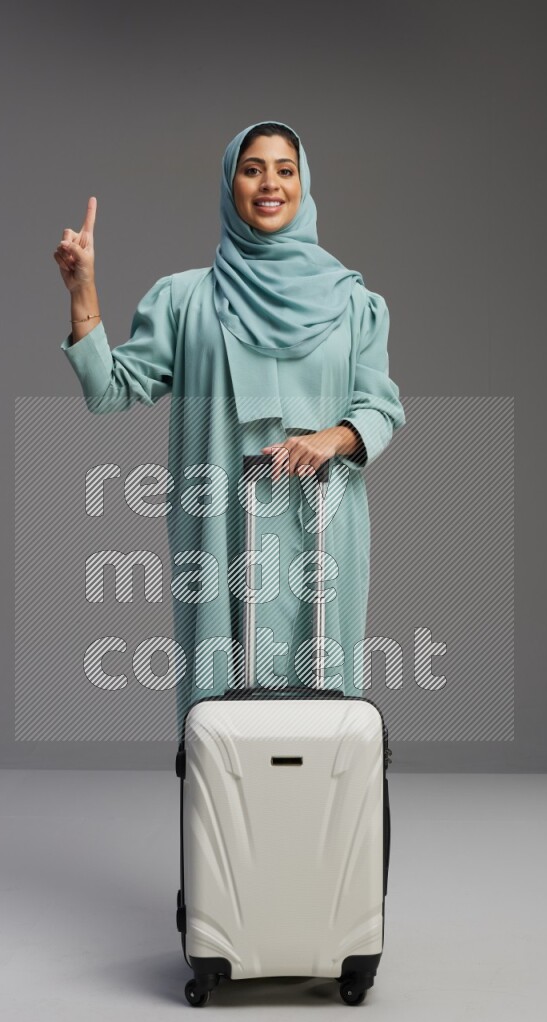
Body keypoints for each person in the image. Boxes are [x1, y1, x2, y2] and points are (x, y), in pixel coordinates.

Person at [55, 119, 406, 739]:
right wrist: (83, 289)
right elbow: (110, 391)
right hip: (219, 529)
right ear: (231, 184)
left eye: (284, 169)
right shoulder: (187, 301)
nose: (269, 183)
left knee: (326, 708)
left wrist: (334, 437)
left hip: (322, 531)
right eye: (252, 169)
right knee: (222, 712)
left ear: (303, 185)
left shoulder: (354, 304)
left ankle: (321, 836)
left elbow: (380, 408)